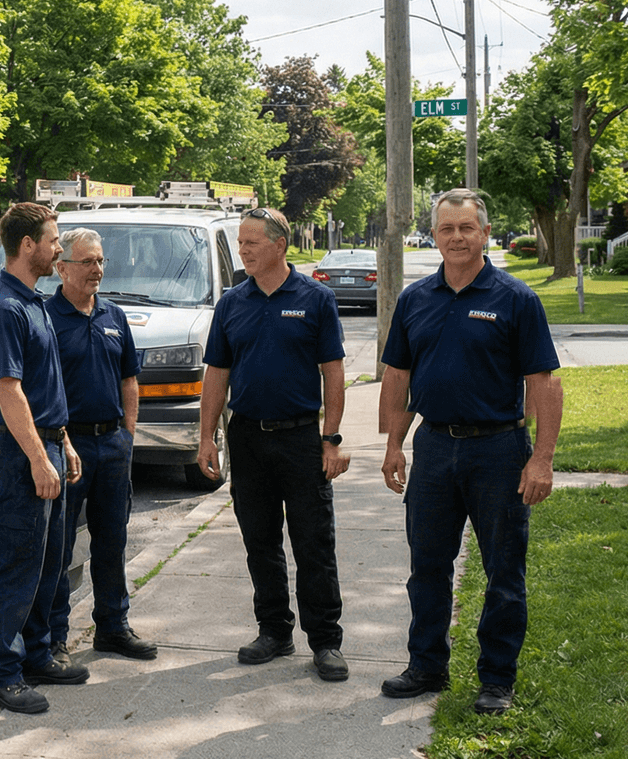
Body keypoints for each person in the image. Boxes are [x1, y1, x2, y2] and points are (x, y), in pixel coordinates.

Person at [378, 188, 562, 715]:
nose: (456, 237)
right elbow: (398, 376)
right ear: (433, 235)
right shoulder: (415, 299)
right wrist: (393, 442)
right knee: (427, 567)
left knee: (504, 571)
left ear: (484, 232)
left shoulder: (515, 298)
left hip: (499, 452)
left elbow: (544, 384)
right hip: (433, 447)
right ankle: (426, 665)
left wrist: (541, 458)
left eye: (466, 228)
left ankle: (497, 679)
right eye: (446, 229)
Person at [197, 206, 351, 682]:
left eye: (250, 243)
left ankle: (325, 641)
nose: (241, 250)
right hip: (246, 438)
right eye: (240, 243)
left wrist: (332, 439)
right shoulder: (232, 303)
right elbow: (217, 373)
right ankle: (274, 631)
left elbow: (333, 373)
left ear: (279, 245)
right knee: (259, 541)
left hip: (302, 439)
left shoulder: (316, 298)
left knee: (313, 544)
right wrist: (207, 437)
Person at [0, 201, 83, 715]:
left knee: (48, 562)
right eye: (54, 239)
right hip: (22, 454)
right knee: (17, 565)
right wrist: (40, 459)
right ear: (27, 246)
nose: (59, 247)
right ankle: (2, 673)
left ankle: (38, 656)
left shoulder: (35, 301)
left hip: (47, 445)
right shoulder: (4, 308)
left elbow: (44, 389)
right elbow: (9, 391)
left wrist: (63, 443)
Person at [44, 227, 159, 667]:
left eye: (100, 261)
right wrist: (63, 442)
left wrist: (127, 435)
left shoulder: (114, 316)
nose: (96, 270)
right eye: (87, 262)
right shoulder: (47, 318)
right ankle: (55, 636)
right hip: (67, 447)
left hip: (112, 445)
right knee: (58, 545)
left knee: (111, 541)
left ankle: (112, 626)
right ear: (62, 268)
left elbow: (130, 379)